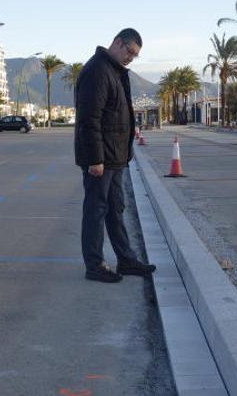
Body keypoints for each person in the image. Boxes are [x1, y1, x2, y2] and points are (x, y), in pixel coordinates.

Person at [74, 28, 157, 283]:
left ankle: (126, 260)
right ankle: (94, 265)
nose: (131, 57)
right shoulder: (98, 70)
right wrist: (95, 159)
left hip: (116, 157)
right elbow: (90, 119)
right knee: (96, 211)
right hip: (101, 159)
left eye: (135, 55)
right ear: (118, 43)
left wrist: (125, 151)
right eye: (129, 51)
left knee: (115, 209)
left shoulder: (115, 71)